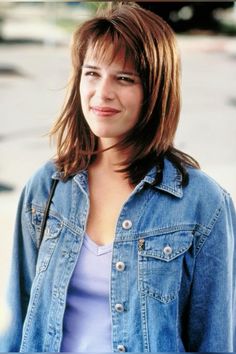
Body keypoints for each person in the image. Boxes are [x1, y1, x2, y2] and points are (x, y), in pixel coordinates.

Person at [0, 2, 235, 352]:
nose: (102, 93)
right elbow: (19, 326)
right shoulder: (46, 188)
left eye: (124, 78)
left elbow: (215, 341)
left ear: (155, 90)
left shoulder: (203, 202)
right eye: (92, 73)